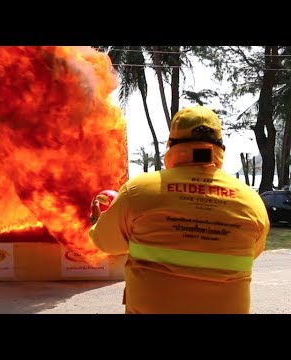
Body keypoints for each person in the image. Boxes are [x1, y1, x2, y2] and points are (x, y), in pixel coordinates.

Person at [89, 105, 270, 314]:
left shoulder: (138, 191)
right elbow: (251, 252)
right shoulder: (251, 201)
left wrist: (97, 221)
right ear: (219, 147)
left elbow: (106, 243)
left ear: (171, 145)